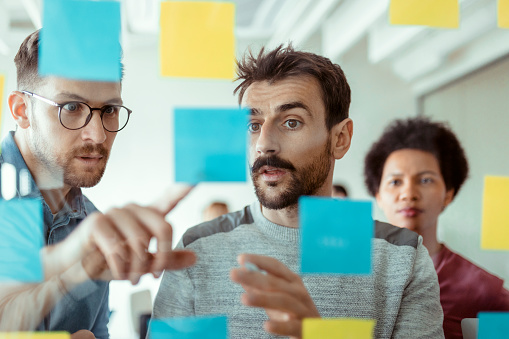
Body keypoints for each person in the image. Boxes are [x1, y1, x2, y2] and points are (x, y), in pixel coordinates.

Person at [152, 45, 444, 338]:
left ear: (340, 139)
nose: (264, 144)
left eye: (291, 122)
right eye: (253, 125)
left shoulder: (402, 258)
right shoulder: (197, 249)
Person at [0, 30, 195, 337]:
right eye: (72, 108)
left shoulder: (95, 228)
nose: (98, 135)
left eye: (109, 111)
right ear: (22, 111)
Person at [364, 117, 509, 339]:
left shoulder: (481, 289)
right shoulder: (351, 276)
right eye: (395, 182)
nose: (409, 193)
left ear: (448, 193)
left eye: (425, 180)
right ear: (378, 196)